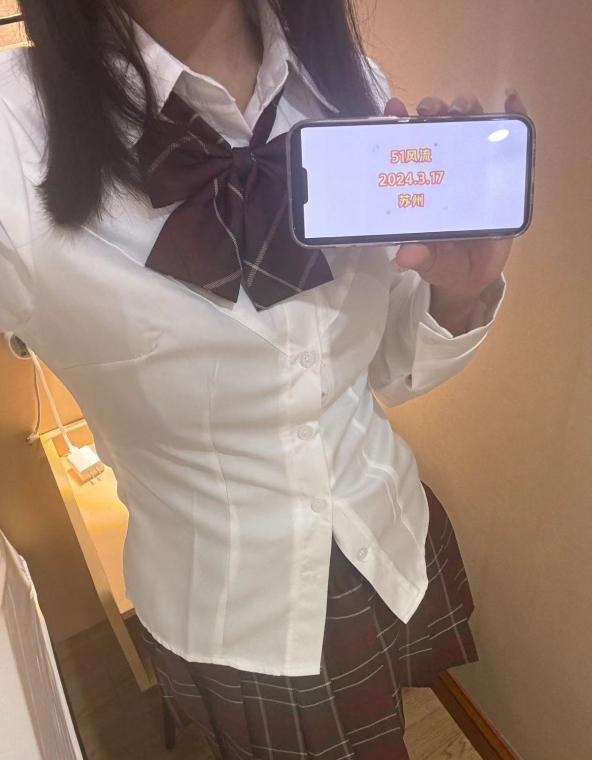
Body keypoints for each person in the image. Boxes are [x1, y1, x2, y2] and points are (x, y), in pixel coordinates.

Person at [0, 1, 527, 758]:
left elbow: (381, 366)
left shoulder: (352, 88)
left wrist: (460, 291)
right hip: (238, 616)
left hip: (385, 528)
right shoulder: (13, 142)